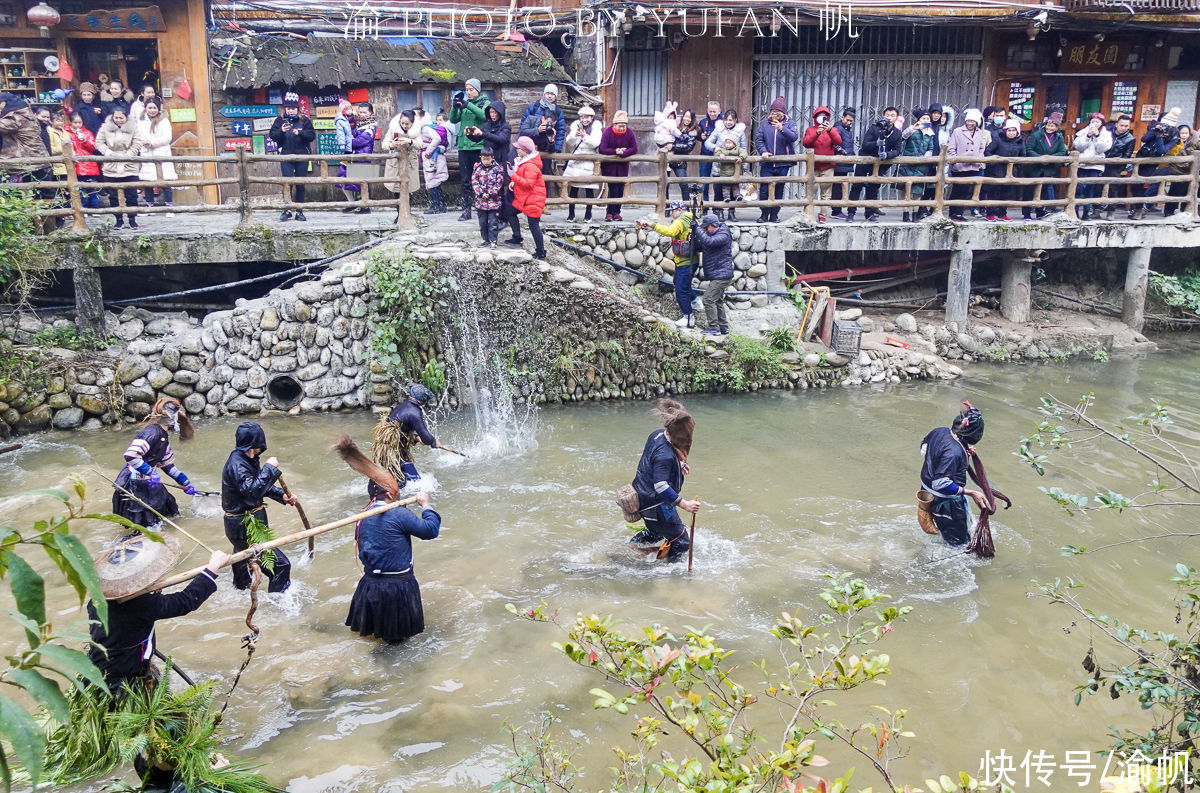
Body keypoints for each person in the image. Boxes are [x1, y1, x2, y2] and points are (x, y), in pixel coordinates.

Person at [88, 536, 230, 693]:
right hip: (124, 680)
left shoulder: (96, 601)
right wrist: (213, 567)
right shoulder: (142, 604)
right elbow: (185, 601)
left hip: (96, 666)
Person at [346, 485, 440, 644]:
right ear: (389, 494)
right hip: (396, 589)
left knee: (372, 636)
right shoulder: (399, 514)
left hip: (369, 585)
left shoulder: (362, 517)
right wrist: (425, 505)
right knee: (399, 644)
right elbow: (430, 530)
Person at [220, 422, 296, 593]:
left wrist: (281, 496)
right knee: (281, 566)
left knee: (241, 555)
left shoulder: (248, 459)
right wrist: (269, 468)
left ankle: (240, 590)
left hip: (242, 525)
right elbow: (253, 492)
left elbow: (259, 485)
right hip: (244, 526)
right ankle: (278, 607)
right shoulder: (237, 464)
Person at [629, 398, 699, 562]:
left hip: (642, 498)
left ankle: (632, 547)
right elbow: (660, 485)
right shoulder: (666, 456)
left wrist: (679, 465)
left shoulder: (657, 434)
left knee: (656, 531)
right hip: (656, 505)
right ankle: (668, 574)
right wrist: (685, 504)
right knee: (681, 542)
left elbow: (654, 463)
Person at [111, 397, 197, 529]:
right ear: (171, 418)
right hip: (134, 483)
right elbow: (131, 455)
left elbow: (168, 466)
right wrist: (150, 472)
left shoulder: (162, 436)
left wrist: (186, 483)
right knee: (144, 522)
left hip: (148, 481)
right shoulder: (152, 433)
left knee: (169, 509)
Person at [919, 402, 990, 546]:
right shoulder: (954, 453)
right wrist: (971, 493)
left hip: (926, 491)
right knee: (959, 545)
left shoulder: (940, 432)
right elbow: (940, 483)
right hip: (945, 504)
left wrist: (963, 450)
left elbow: (924, 449)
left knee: (944, 538)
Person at [640, 200, 698, 327]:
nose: (671, 214)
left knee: (681, 290)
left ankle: (688, 317)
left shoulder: (680, 221)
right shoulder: (692, 218)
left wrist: (653, 225)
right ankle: (696, 302)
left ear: (679, 210)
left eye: (672, 211)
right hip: (692, 259)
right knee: (679, 282)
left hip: (685, 261)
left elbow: (670, 231)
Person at [847, 109, 902, 222]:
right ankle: (851, 213)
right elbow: (865, 144)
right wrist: (876, 143)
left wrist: (887, 155)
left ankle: (869, 214)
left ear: (896, 118)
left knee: (873, 189)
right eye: (887, 115)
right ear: (883, 116)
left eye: (892, 115)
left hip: (880, 164)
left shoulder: (897, 133)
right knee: (856, 187)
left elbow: (897, 150)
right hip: (865, 160)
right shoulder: (874, 128)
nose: (889, 118)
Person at [269, 90, 315, 222]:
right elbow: (272, 135)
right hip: (286, 156)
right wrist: (281, 131)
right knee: (287, 183)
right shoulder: (279, 121)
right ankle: (287, 210)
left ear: (297, 109)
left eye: (293, 108)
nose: (291, 110)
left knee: (300, 184)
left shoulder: (304, 121)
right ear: (285, 108)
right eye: (288, 108)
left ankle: (299, 211)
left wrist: (300, 133)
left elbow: (312, 136)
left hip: (302, 156)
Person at [753, 96, 799, 223]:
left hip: (783, 164)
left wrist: (782, 128)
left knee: (779, 189)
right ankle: (764, 214)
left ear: (782, 113)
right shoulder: (764, 123)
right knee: (764, 190)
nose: (774, 114)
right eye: (772, 111)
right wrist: (763, 151)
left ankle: (774, 215)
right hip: (767, 164)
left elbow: (794, 137)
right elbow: (759, 139)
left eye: (776, 112)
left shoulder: (790, 123)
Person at [450, 78, 490, 221]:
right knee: (465, 179)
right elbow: (453, 120)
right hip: (463, 145)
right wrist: (455, 106)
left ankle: (483, 207)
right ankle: (466, 210)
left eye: (471, 89)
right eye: (467, 90)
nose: (469, 92)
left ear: (478, 90)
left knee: (482, 179)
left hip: (478, 146)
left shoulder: (485, 102)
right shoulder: (464, 104)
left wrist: (468, 105)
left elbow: (483, 116)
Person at [96, 108, 143, 229]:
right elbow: (99, 142)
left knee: (131, 194)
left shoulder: (134, 127)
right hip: (111, 164)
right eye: (116, 118)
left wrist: (129, 154)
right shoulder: (105, 127)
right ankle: (118, 219)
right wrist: (108, 153)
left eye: (121, 118)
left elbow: (137, 142)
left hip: (129, 164)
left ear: (126, 117)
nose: (118, 120)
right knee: (113, 195)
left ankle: (132, 219)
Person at [1131, 112, 1178, 220]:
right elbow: (1144, 139)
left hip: (1153, 161)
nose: (1165, 126)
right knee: (1135, 184)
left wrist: (1159, 137)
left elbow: (1162, 150)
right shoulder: (1154, 127)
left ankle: (1139, 210)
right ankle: (1137, 208)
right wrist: (1154, 130)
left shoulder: (1174, 136)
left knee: (1142, 182)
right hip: (1141, 157)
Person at [692, 212, 732, 335]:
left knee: (708, 300)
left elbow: (709, 242)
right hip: (719, 274)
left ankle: (714, 328)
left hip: (722, 275)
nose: (705, 230)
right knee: (718, 301)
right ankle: (724, 327)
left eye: (706, 227)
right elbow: (704, 245)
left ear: (712, 225)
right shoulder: (712, 235)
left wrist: (697, 229)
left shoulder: (723, 235)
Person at [136, 97, 176, 217]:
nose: (152, 110)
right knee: (148, 181)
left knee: (165, 182)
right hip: (147, 152)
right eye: (150, 107)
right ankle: (150, 207)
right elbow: (137, 135)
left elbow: (167, 137)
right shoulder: (141, 121)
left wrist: (153, 142)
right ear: (145, 108)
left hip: (161, 152)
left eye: (154, 108)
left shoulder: (164, 121)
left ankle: (169, 207)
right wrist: (143, 141)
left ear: (158, 109)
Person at [510, 135, 548, 260]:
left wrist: (513, 176)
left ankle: (541, 252)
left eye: (519, 148)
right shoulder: (524, 161)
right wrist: (513, 181)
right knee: (510, 212)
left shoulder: (530, 165)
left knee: (534, 225)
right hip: (527, 198)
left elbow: (528, 184)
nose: (516, 150)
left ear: (525, 150)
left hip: (533, 199)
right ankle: (517, 237)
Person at [802, 106, 842, 222]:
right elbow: (806, 143)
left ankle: (823, 216)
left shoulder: (832, 129)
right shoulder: (810, 130)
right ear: (815, 117)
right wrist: (817, 132)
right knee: (810, 192)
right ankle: (808, 215)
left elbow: (838, 141)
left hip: (828, 166)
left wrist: (829, 130)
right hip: (813, 166)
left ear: (827, 117)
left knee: (826, 193)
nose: (821, 118)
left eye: (824, 116)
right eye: (819, 116)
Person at [1022, 116, 1066, 219]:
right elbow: (1029, 149)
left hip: (1048, 168)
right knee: (1029, 191)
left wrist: (1050, 158)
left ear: (1057, 127)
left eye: (1053, 126)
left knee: (1044, 191)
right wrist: (1040, 158)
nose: (1050, 128)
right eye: (1048, 125)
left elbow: (1062, 151)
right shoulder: (1036, 135)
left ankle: (1040, 211)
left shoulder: (1059, 137)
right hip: (1034, 167)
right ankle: (1026, 213)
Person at [563, 105, 602, 221]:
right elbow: (569, 142)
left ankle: (588, 214)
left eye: (587, 117)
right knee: (573, 189)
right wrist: (575, 134)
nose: (584, 120)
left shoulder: (596, 128)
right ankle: (571, 214)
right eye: (582, 117)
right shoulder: (576, 126)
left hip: (589, 160)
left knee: (589, 189)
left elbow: (595, 143)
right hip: (576, 160)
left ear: (592, 117)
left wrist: (585, 136)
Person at [946, 108, 987, 221]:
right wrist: (956, 160)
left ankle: (960, 212)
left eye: (973, 121)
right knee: (958, 190)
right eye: (968, 121)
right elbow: (951, 148)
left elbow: (981, 148)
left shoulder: (979, 132)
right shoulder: (958, 131)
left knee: (967, 190)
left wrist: (979, 159)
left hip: (973, 166)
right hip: (960, 166)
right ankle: (953, 213)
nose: (970, 123)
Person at [337, 102, 377, 214]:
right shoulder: (356, 123)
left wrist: (348, 141)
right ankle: (352, 203)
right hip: (351, 156)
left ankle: (365, 206)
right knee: (342, 178)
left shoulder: (371, 126)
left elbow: (361, 141)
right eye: (360, 112)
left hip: (362, 156)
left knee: (361, 182)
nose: (362, 114)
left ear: (370, 113)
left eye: (365, 112)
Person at [598, 110, 638, 221]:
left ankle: (617, 212)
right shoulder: (607, 132)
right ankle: (609, 212)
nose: (622, 128)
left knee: (620, 189)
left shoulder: (629, 133)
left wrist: (624, 153)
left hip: (622, 167)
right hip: (609, 167)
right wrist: (615, 151)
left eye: (624, 126)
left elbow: (634, 148)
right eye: (620, 126)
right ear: (615, 124)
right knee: (613, 189)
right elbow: (602, 148)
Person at [898, 109, 937, 222]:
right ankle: (905, 213)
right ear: (919, 119)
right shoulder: (912, 129)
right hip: (907, 163)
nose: (925, 120)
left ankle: (915, 214)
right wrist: (913, 128)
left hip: (921, 165)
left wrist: (925, 157)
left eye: (927, 119)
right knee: (906, 190)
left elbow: (930, 148)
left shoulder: (930, 133)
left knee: (918, 191)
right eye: (923, 118)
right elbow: (902, 138)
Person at [983, 118, 1026, 221]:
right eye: (1009, 130)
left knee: (1006, 193)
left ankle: (1002, 213)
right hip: (996, 171)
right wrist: (994, 162)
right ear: (1005, 131)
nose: (1011, 133)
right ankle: (990, 213)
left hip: (1011, 172)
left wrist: (1016, 165)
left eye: (1013, 130)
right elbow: (988, 151)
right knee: (993, 193)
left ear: (1017, 132)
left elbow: (1023, 156)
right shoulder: (998, 139)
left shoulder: (1020, 142)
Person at [382, 109, 421, 220]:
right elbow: (384, 144)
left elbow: (420, 144)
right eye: (402, 123)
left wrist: (410, 141)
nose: (404, 125)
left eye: (407, 124)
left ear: (412, 123)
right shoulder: (393, 129)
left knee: (409, 189)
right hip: (395, 163)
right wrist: (392, 144)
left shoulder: (416, 130)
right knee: (397, 189)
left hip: (410, 163)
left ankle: (407, 213)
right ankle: (399, 214)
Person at [1073, 113, 1112, 220]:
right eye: (1093, 121)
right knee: (1078, 189)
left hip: (1095, 165)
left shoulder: (1106, 134)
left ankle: (1086, 213)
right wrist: (1087, 136)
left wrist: (1097, 136)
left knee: (1089, 190)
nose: (1094, 124)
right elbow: (1078, 147)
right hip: (1082, 164)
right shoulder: (1082, 132)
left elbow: (1102, 148)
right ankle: (1075, 212)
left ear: (1101, 124)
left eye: (1097, 122)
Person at [1102, 114, 1136, 220]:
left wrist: (1119, 165)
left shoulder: (1130, 138)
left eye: (1126, 126)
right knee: (1096, 186)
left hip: (1116, 166)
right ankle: (1095, 209)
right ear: (1116, 124)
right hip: (1101, 163)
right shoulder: (1107, 132)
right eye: (1122, 125)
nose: (1123, 128)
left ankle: (1111, 211)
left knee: (1114, 189)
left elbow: (1127, 155)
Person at [471, 146, 505, 246]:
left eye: (488, 159)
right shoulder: (477, 168)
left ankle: (493, 240)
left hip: (493, 202)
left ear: (492, 158)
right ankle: (485, 239)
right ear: (480, 157)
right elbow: (474, 182)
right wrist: (481, 193)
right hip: (480, 201)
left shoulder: (498, 169)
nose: (486, 161)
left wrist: (490, 194)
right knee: (482, 223)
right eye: (484, 159)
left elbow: (499, 183)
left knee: (493, 223)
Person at [67, 111, 101, 210]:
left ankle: (94, 207)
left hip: (89, 164)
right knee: (79, 189)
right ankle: (82, 208)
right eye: (75, 123)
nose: (78, 125)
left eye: (80, 122)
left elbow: (93, 147)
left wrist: (85, 140)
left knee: (92, 189)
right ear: (70, 122)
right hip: (76, 164)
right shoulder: (66, 133)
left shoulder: (87, 133)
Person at [1163, 125, 1197, 217]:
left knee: (1188, 190)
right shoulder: (1174, 142)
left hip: (1188, 170)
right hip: (1176, 169)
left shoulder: (1192, 142)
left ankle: (1184, 209)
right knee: (1175, 191)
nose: (1184, 135)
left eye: (1186, 133)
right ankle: (1169, 210)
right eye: (1182, 133)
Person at [420, 113, 450, 215]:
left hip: (433, 159)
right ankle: (440, 205)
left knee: (433, 182)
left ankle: (436, 205)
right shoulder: (431, 128)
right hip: (437, 158)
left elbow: (436, 139)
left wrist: (428, 152)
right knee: (435, 182)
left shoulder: (426, 129)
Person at [713, 135, 748, 221]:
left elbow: (744, 152)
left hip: (734, 174)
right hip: (724, 175)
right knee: (724, 190)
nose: (727, 145)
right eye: (726, 143)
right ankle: (720, 212)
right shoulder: (722, 149)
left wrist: (741, 157)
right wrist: (720, 154)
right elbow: (716, 153)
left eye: (729, 143)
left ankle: (732, 212)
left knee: (735, 189)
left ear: (734, 144)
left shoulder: (738, 149)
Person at [830, 107, 856, 218]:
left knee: (840, 186)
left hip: (845, 162)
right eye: (847, 120)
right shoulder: (838, 128)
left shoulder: (847, 130)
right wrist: (845, 154)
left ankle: (837, 209)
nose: (849, 122)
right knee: (837, 187)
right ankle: (836, 211)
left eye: (851, 121)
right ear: (842, 117)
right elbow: (835, 145)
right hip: (839, 162)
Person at [696, 101, 722, 202]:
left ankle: (717, 208)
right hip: (705, 155)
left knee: (717, 183)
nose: (712, 113)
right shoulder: (703, 122)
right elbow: (697, 136)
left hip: (718, 156)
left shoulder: (723, 123)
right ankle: (704, 207)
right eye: (710, 111)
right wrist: (700, 137)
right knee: (704, 182)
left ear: (719, 111)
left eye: (714, 111)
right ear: (707, 111)